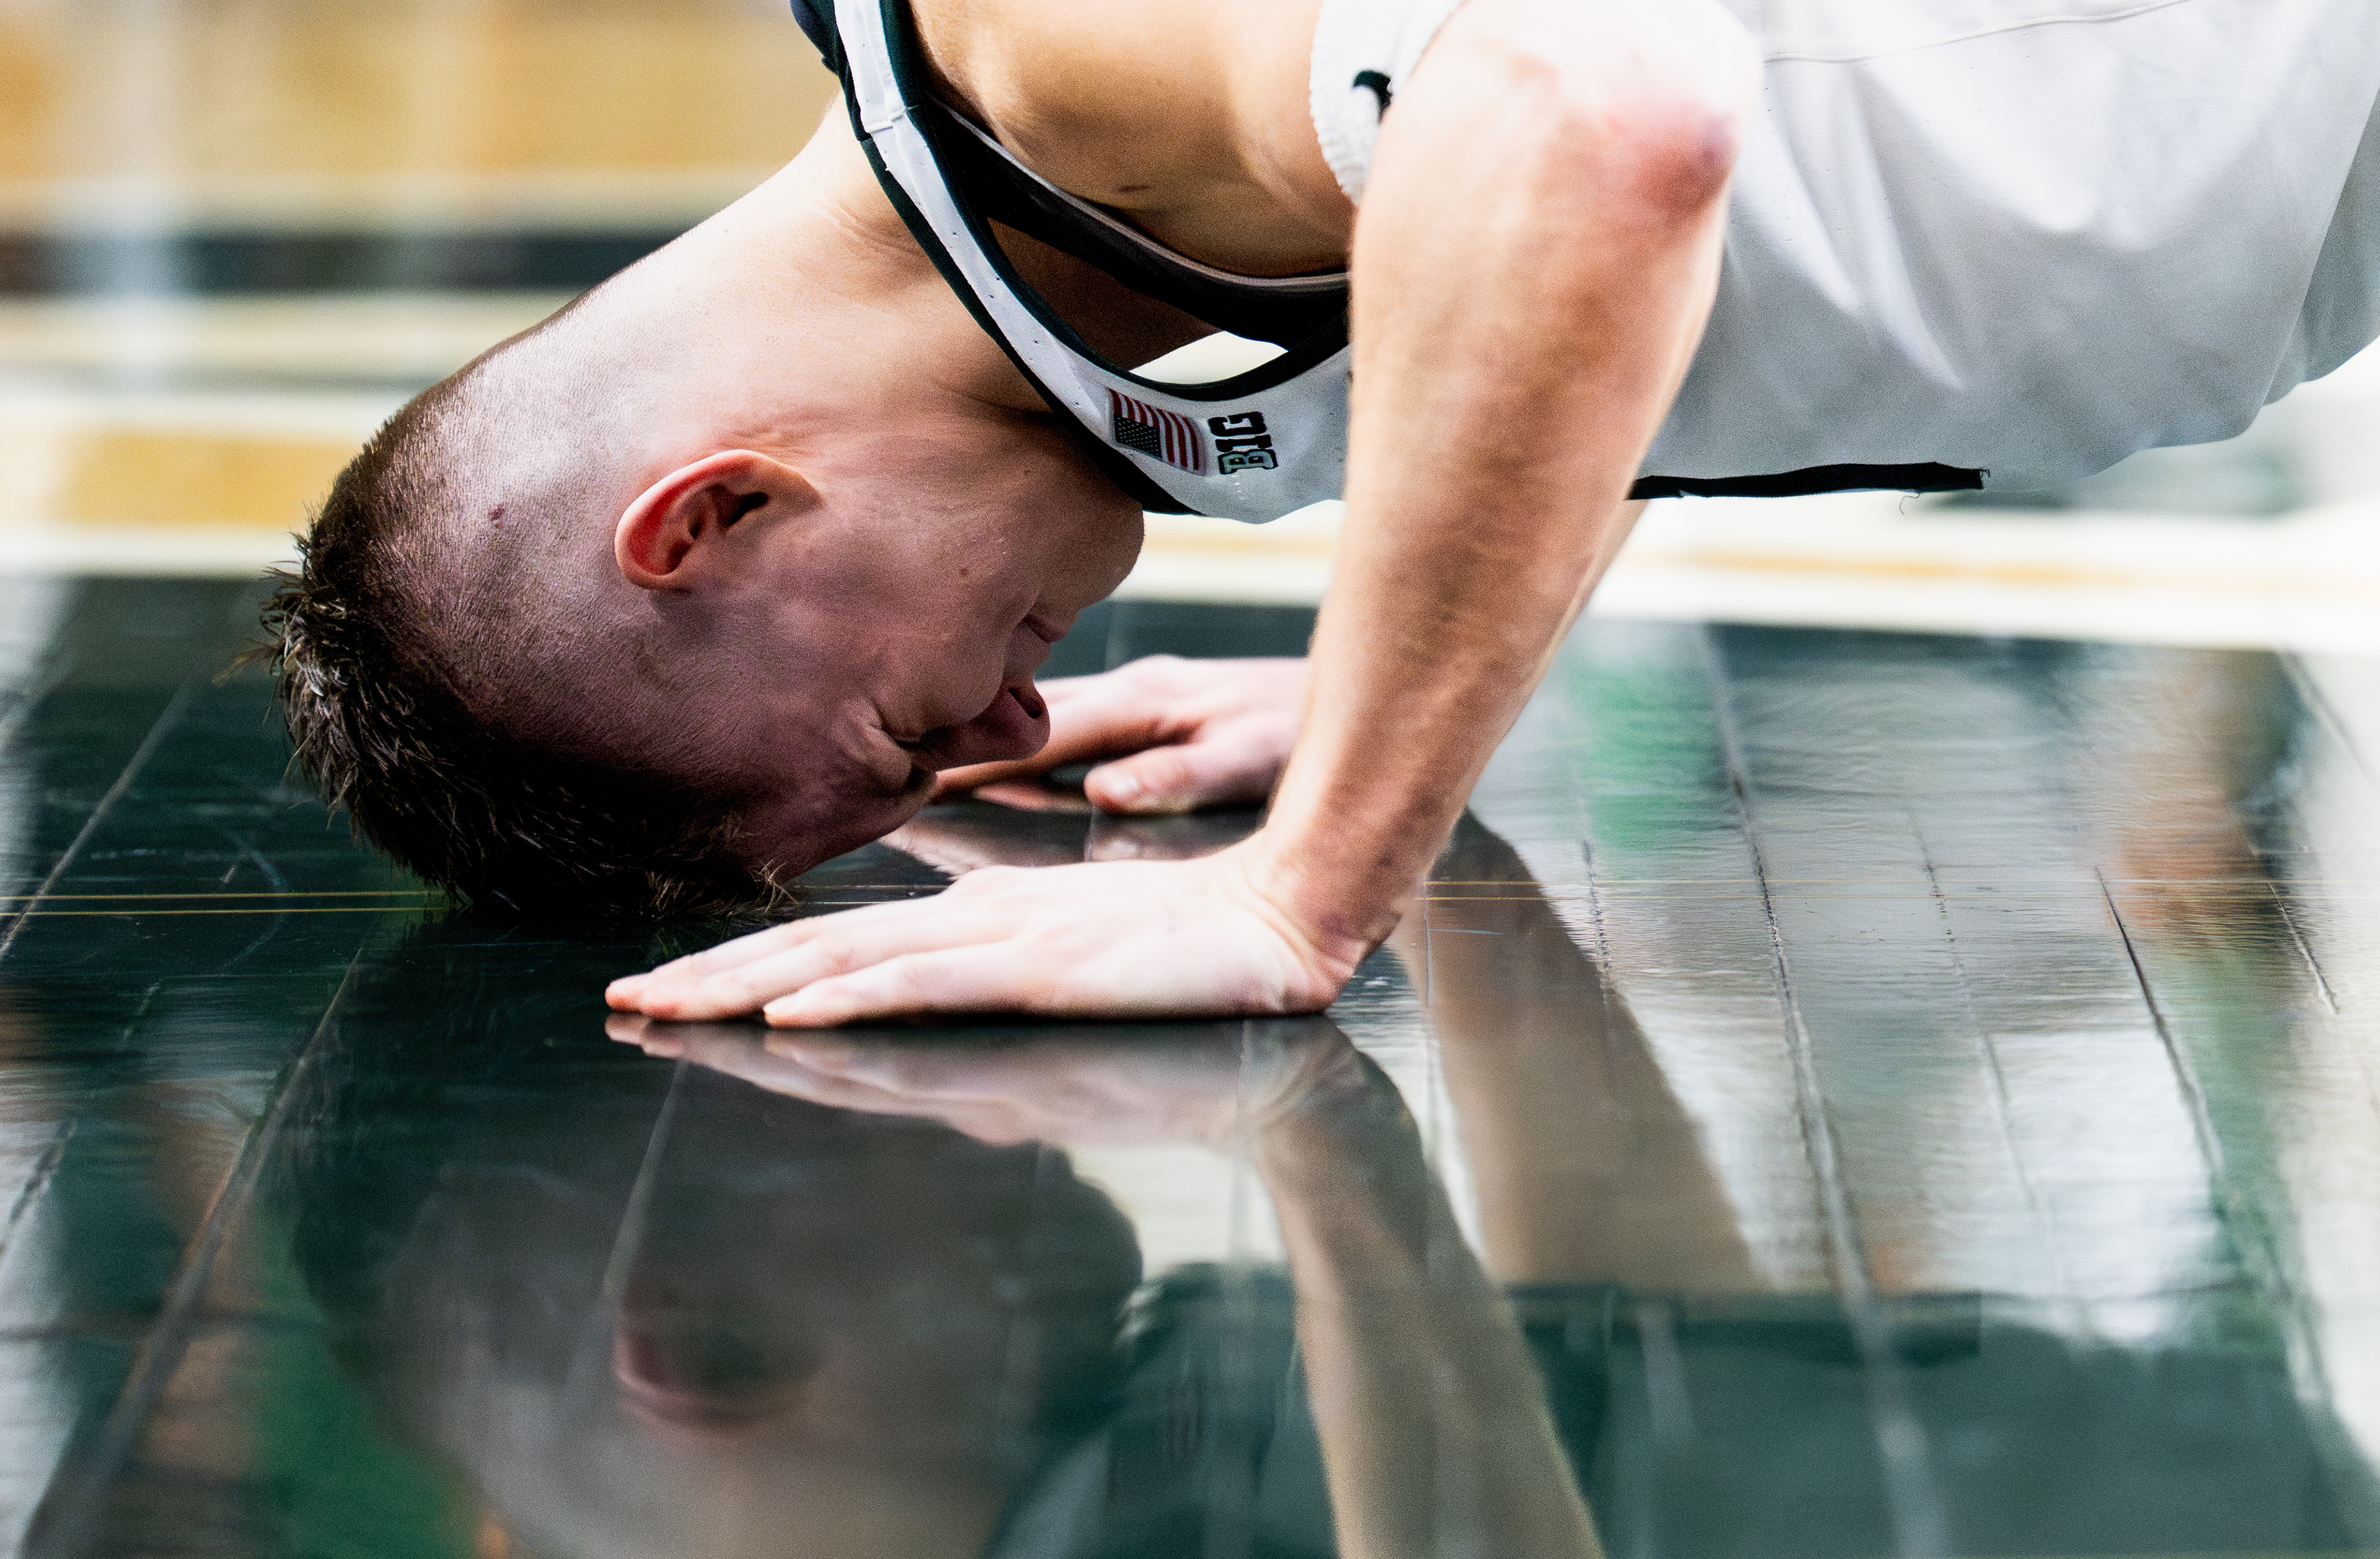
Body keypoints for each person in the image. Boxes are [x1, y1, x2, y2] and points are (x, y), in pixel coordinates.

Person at [263, 0, 2380, 1022]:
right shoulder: (1094, 182)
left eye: (900, 740)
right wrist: (1421, 661)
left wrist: (1305, 884)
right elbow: (1587, 259)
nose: (1001, 745)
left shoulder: (1051, 34)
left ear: (706, 514)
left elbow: (1594, 115)